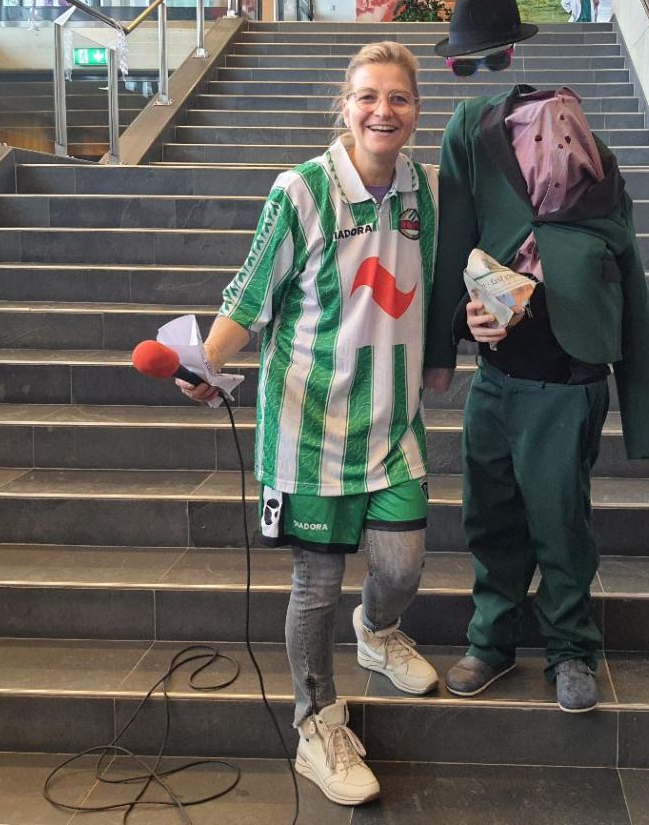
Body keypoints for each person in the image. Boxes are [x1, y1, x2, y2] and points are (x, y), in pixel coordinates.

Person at [179, 41, 440, 807]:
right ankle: (316, 725)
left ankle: (378, 633)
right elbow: (248, 295)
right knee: (316, 584)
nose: (382, 110)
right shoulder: (300, 191)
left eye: (397, 97)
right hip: (311, 430)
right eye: (367, 96)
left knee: (401, 569)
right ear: (345, 106)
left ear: (415, 110)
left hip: (394, 427)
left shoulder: (428, 189)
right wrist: (208, 362)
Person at [424, 0, 649, 714]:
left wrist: (641, 404)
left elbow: (627, 269)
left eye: (483, 60)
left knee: (561, 520)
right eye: (466, 64)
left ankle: (571, 649)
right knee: (489, 514)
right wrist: (450, 337)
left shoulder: (593, 155)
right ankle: (491, 642)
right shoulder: (470, 131)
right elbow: (452, 244)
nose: (477, 75)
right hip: (498, 371)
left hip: (569, 371)